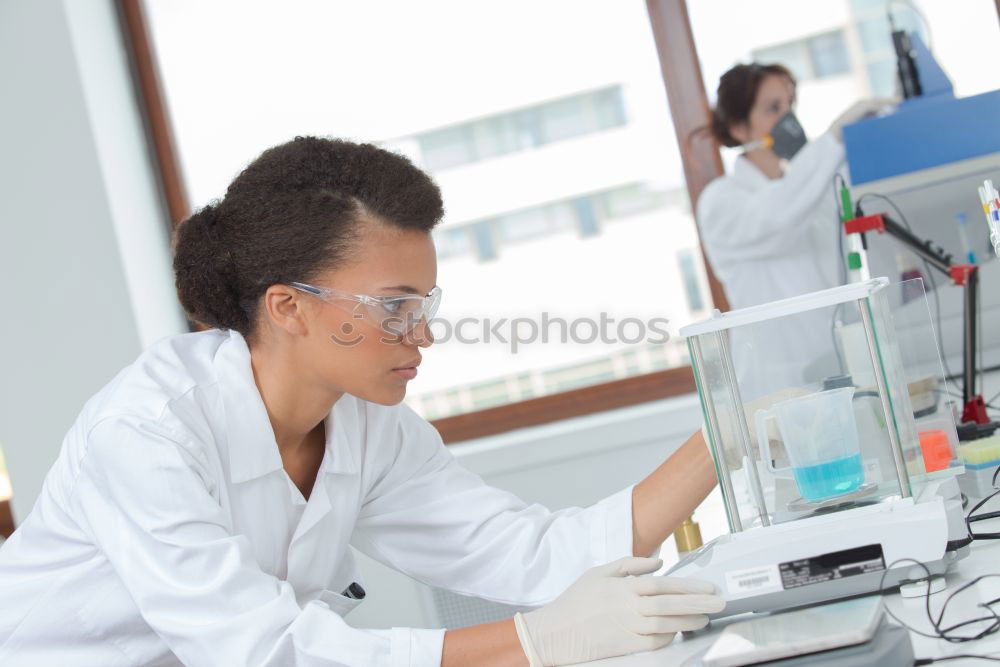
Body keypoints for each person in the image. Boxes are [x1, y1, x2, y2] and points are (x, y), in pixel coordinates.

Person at [0, 137, 724, 666]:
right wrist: (533, 642)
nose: (425, 334)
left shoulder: (367, 426)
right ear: (288, 306)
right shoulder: (147, 433)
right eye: (394, 307)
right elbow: (264, 652)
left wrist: (726, 426)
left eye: (424, 304)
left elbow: (535, 556)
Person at [696, 63, 892, 398]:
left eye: (790, 106)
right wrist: (832, 140)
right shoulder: (721, 201)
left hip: (834, 369)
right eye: (773, 109)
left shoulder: (805, 190)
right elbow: (778, 216)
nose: (789, 120)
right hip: (775, 386)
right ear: (739, 129)